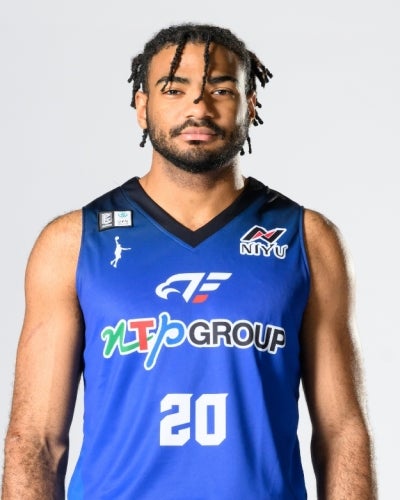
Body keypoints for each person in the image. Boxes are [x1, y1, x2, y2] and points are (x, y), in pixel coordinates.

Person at [2, 23, 377, 499]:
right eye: (174, 90)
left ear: (251, 104)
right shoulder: (72, 243)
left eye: (220, 89)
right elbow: (35, 440)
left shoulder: (306, 238)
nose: (198, 108)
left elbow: (342, 432)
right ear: (142, 107)